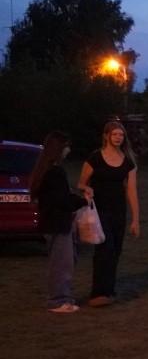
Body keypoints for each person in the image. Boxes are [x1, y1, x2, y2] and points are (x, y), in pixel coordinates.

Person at [78, 120, 140, 307]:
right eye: (114, 134)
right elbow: (81, 182)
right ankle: (98, 293)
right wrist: (86, 189)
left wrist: (136, 219)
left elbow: (131, 190)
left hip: (118, 211)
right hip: (99, 210)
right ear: (106, 136)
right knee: (105, 249)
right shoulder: (95, 158)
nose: (118, 137)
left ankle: (109, 291)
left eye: (121, 135)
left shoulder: (128, 162)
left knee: (115, 251)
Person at [31, 131, 87, 312]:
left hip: (55, 222)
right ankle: (58, 300)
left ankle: (63, 297)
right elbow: (61, 200)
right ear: (59, 148)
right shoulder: (54, 172)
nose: (68, 150)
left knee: (67, 260)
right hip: (57, 223)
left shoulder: (46, 170)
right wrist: (82, 201)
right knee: (62, 263)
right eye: (66, 146)